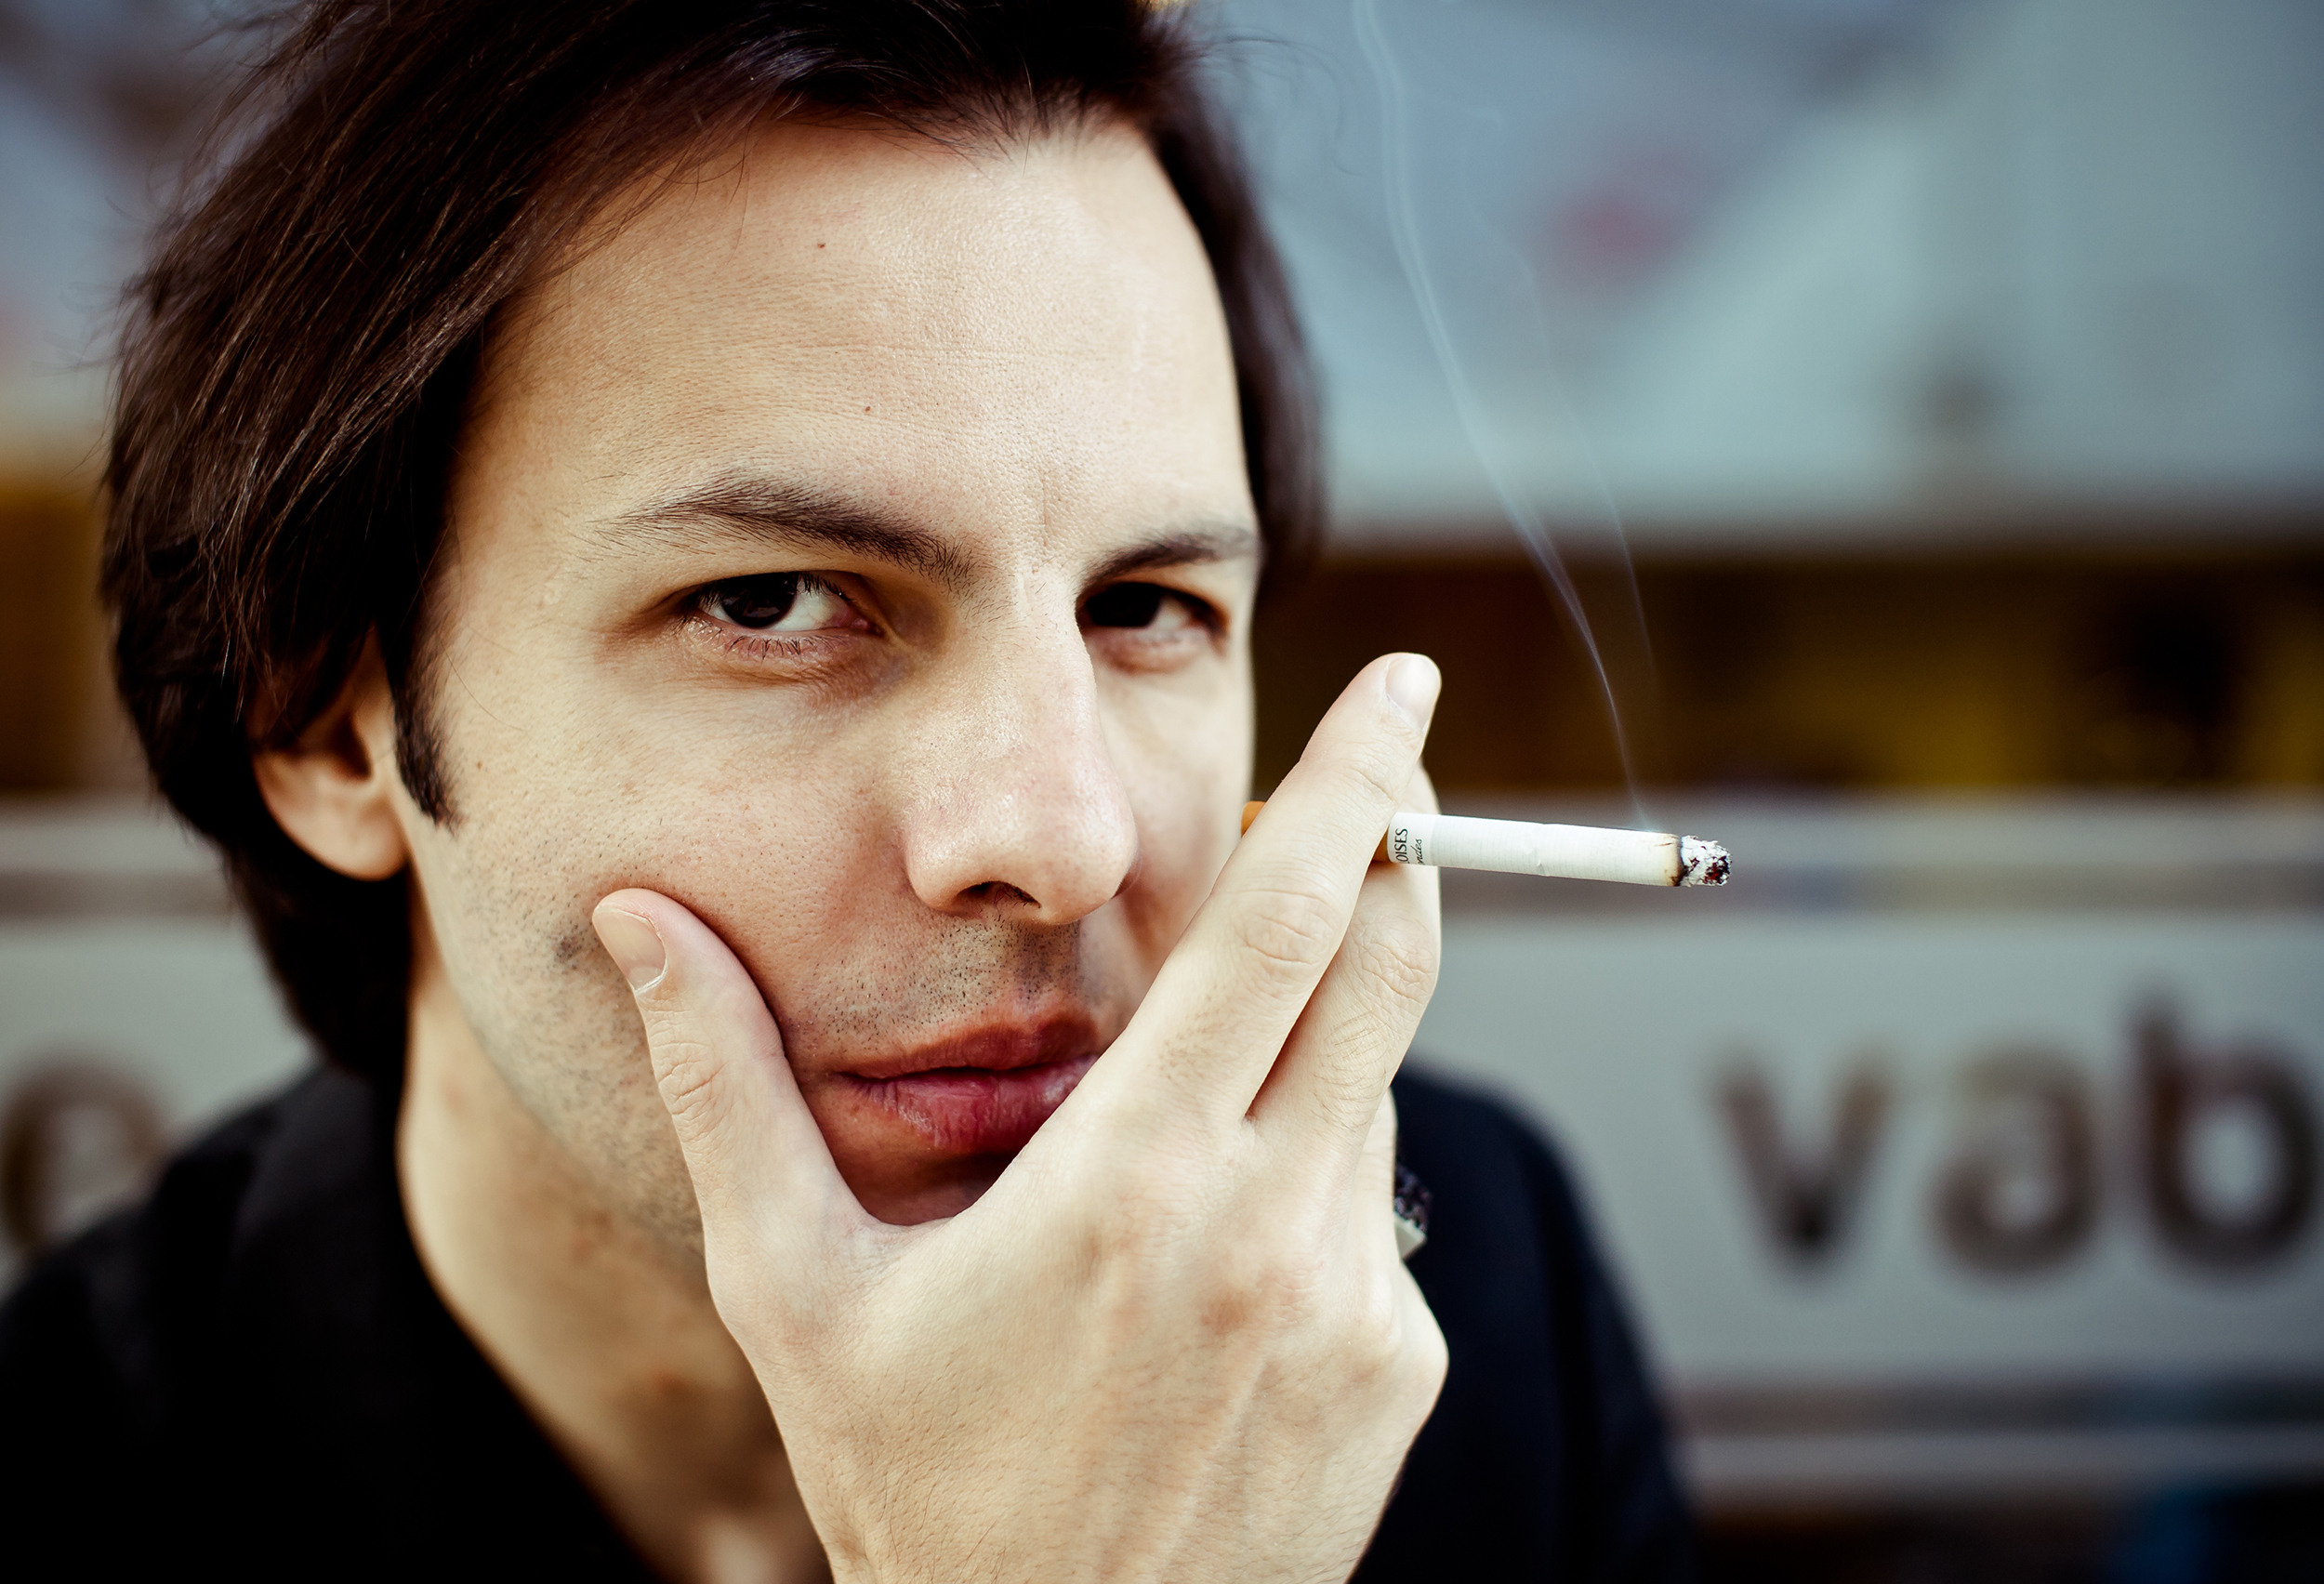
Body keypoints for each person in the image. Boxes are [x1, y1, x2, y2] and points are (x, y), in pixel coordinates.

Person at [0, 3, 1692, 1577]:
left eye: (1144, 609)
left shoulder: (1455, 1296)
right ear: (324, 729)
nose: (1065, 839)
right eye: (772, 605)